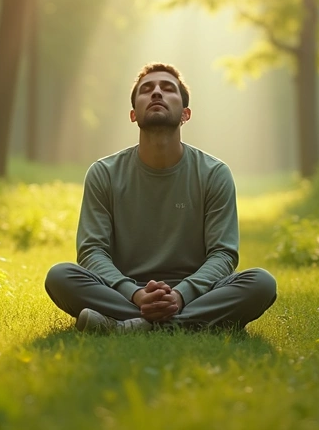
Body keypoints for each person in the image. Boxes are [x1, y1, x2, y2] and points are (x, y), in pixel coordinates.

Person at [44, 63, 277, 333]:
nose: (157, 93)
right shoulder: (104, 173)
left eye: (168, 89)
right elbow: (92, 251)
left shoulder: (214, 173)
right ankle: (182, 324)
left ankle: (129, 326)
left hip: (196, 294)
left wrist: (180, 295)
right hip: (124, 291)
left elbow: (223, 254)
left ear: (185, 114)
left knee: (261, 283)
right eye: (147, 89)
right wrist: (136, 294)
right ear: (133, 114)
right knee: (60, 276)